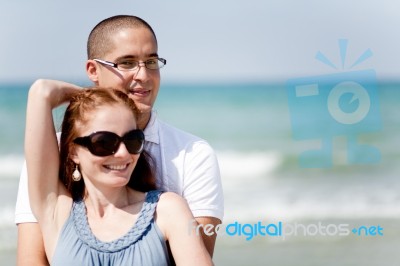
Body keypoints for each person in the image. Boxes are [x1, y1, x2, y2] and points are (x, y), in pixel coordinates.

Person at [15, 15, 224, 265]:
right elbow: (31, 260)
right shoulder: (51, 157)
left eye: (151, 61)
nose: (144, 75)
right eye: (127, 63)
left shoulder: (192, 156)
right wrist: (90, 100)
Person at [25, 81, 213, 265]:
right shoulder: (57, 212)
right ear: (74, 151)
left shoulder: (167, 210)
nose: (123, 153)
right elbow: (41, 92)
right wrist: (88, 97)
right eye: (105, 142)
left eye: (133, 140)